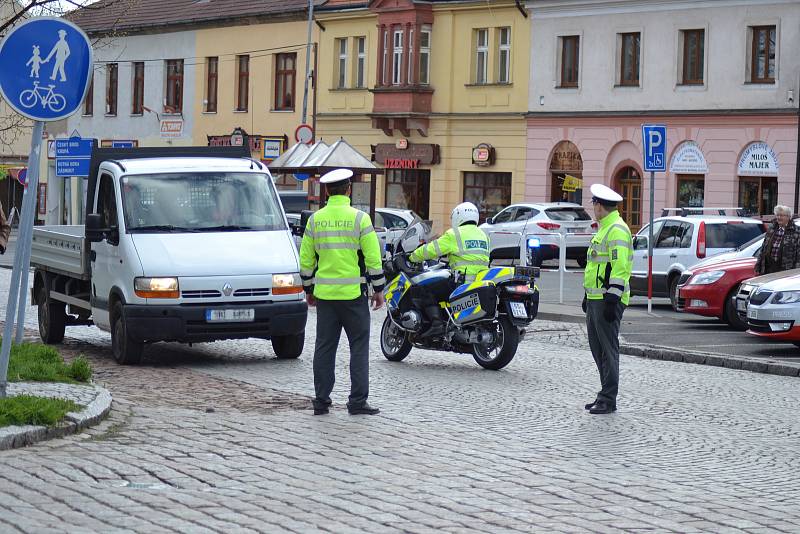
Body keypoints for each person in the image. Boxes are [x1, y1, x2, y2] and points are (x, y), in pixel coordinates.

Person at [299, 169, 385, 416]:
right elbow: (373, 258)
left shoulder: (315, 220)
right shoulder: (360, 219)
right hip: (353, 297)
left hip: (325, 296)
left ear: (327, 191)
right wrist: (378, 289)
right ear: (348, 190)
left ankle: (321, 401)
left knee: (324, 348)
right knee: (358, 347)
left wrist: (308, 289)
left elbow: (306, 260)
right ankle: (357, 402)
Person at [582, 183, 633, 415]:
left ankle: (608, 398)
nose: (593, 207)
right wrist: (587, 295)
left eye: (594, 203)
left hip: (607, 300)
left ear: (600, 206)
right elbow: (597, 266)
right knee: (597, 349)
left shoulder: (616, 230)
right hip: (596, 298)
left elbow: (620, 267)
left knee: (608, 350)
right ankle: (604, 393)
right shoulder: (604, 228)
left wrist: (613, 299)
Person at [409, 202, 490, 337]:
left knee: (422, 289)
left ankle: (437, 324)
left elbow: (432, 249)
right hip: (479, 283)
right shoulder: (484, 235)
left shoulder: (454, 234)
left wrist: (413, 256)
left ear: (459, 217)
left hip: (460, 282)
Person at [755, 205, 800, 275]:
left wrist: (796, 273)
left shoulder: (796, 231)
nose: (779, 217)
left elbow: (798, 255)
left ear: (788, 217)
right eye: (777, 215)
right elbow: (763, 249)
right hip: (768, 269)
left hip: (786, 271)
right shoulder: (771, 229)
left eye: (781, 215)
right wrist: (758, 266)